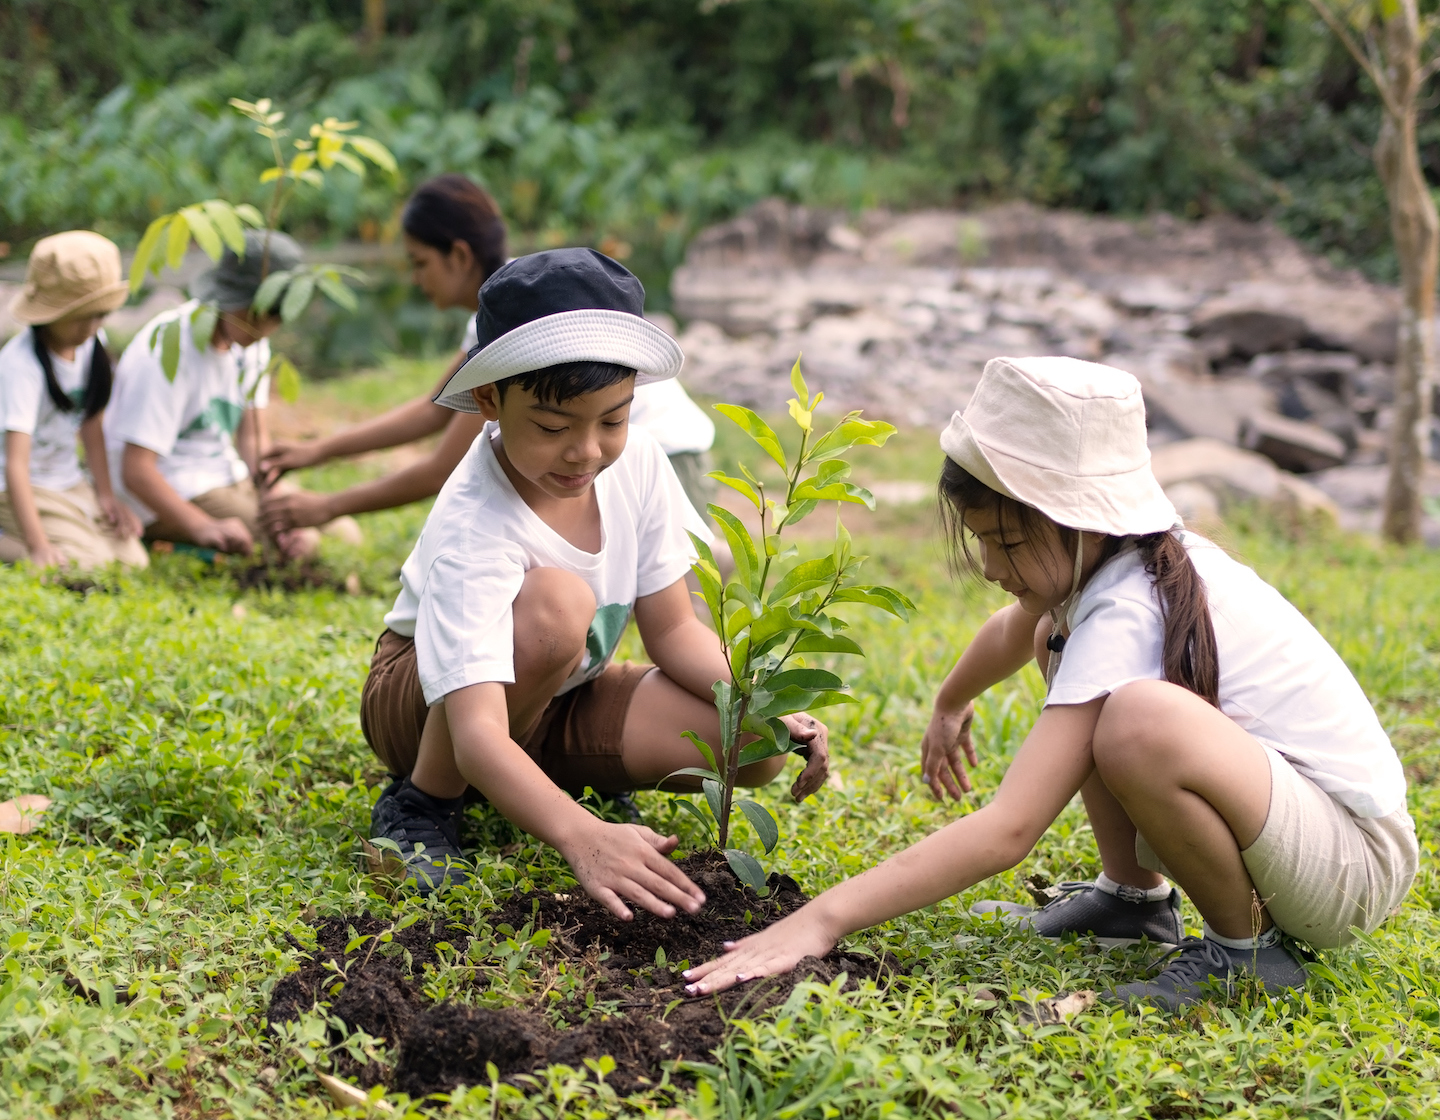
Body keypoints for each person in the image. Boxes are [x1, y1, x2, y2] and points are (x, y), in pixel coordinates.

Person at [682, 356, 1417, 1011]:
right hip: (1308, 837)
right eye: (980, 541)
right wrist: (950, 700)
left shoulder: (1129, 607)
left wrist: (821, 919)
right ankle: (1133, 903)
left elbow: (1008, 830)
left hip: (1351, 865)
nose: (992, 567)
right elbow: (1014, 628)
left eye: (1005, 542)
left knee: (1138, 721)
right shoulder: (1124, 564)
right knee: (1055, 642)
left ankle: (1248, 958)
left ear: (1083, 522)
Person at [362, 247, 830, 917]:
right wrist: (583, 838)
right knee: (559, 607)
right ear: (491, 399)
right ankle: (423, 804)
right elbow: (479, 734)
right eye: (553, 427)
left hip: (558, 692)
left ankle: (558, 775)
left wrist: (760, 701)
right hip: (430, 710)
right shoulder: (475, 521)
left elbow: (670, 629)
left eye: (612, 419)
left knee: (753, 746)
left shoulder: (637, 460)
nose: (586, 452)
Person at [257, 174, 718, 534]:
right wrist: (314, 453)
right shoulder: (508, 306)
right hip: (606, 454)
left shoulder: (522, 318)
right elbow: (433, 409)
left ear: (458, 255)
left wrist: (328, 506)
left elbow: (442, 467)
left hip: (665, 454)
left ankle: (714, 558)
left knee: (676, 578)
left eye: (420, 263)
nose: (417, 280)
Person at [107, 230, 351, 559]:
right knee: (306, 544)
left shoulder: (250, 345)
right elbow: (136, 471)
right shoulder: (171, 349)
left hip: (226, 475)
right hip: (172, 488)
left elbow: (252, 439)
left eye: (275, 318)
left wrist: (272, 496)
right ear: (230, 300)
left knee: (344, 532)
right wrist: (202, 527)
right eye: (255, 315)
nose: (266, 329)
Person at [0, 231, 147, 570]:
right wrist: (37, 546)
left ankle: (65, 532)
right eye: (83, 316)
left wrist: (105, 495)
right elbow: (15, 465)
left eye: (100, 315)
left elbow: (91, 425)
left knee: (132, 560)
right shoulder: (20, 366)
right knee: (84, 562)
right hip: (24, 487)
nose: (93, 327)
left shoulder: (92, 345)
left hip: (69, 481)